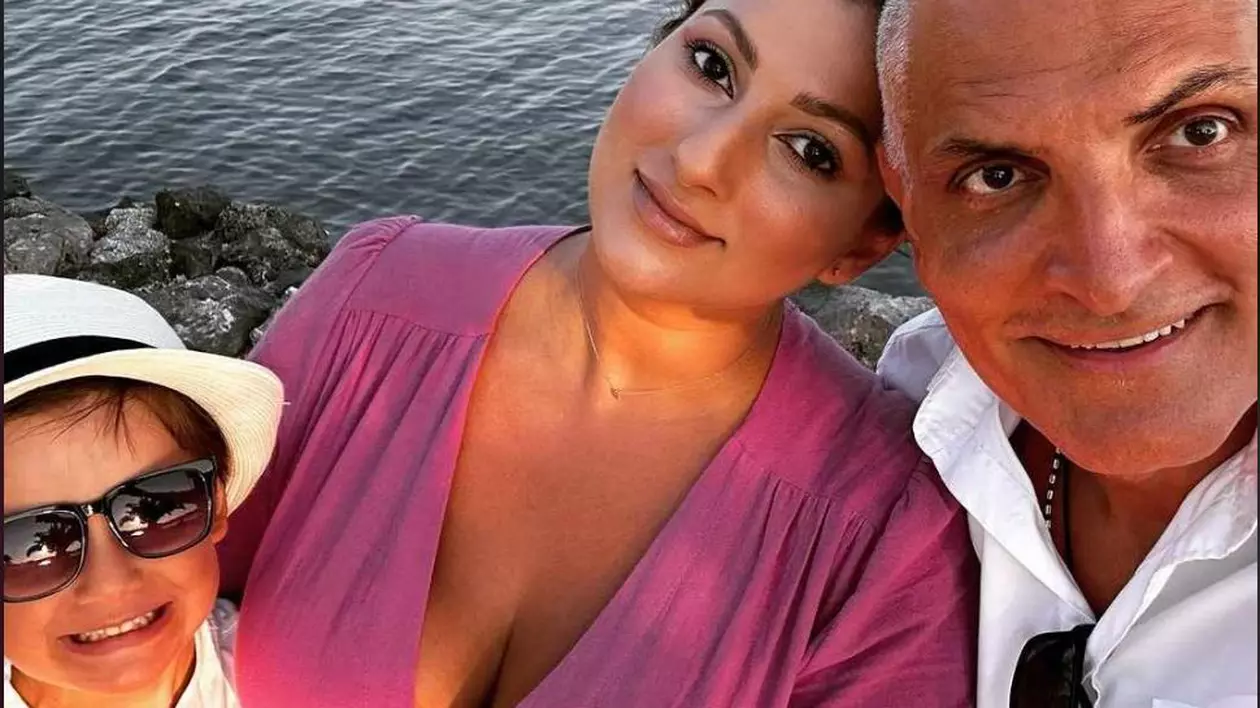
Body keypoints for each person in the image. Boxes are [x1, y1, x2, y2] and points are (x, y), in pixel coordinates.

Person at [215, 0, 979, 705]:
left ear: (862, 244)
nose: (700, 159)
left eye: (810, 150)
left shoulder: (882, 548)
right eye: (712, 65)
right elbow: (169, 596)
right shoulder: (371, 299)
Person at [872, 0, 1257, 705]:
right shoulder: (906, 404)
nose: (1109, 283)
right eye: (996, 176)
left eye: (1200, 132)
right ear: (906, 206)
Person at [3, 274, 285, 708]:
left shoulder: (301, 678)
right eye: (29, 547)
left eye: (155, 509)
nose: (110, 585)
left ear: (216, 502)